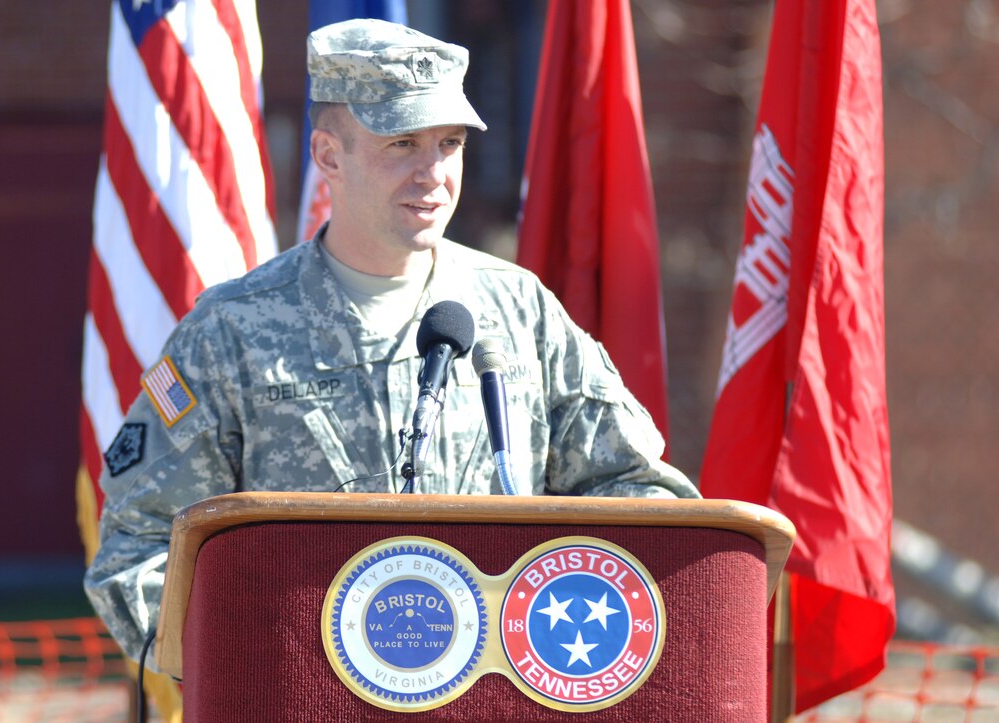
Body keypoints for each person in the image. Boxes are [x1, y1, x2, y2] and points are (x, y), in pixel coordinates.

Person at [85, 18, 699, 667]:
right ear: (328, 155)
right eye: (402, 143)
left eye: (450, 143)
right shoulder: (232, 329)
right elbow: (139, 549)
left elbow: (640, 497)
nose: (433, 172)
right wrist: (261, 669)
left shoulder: (520, 311)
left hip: (500, 693)